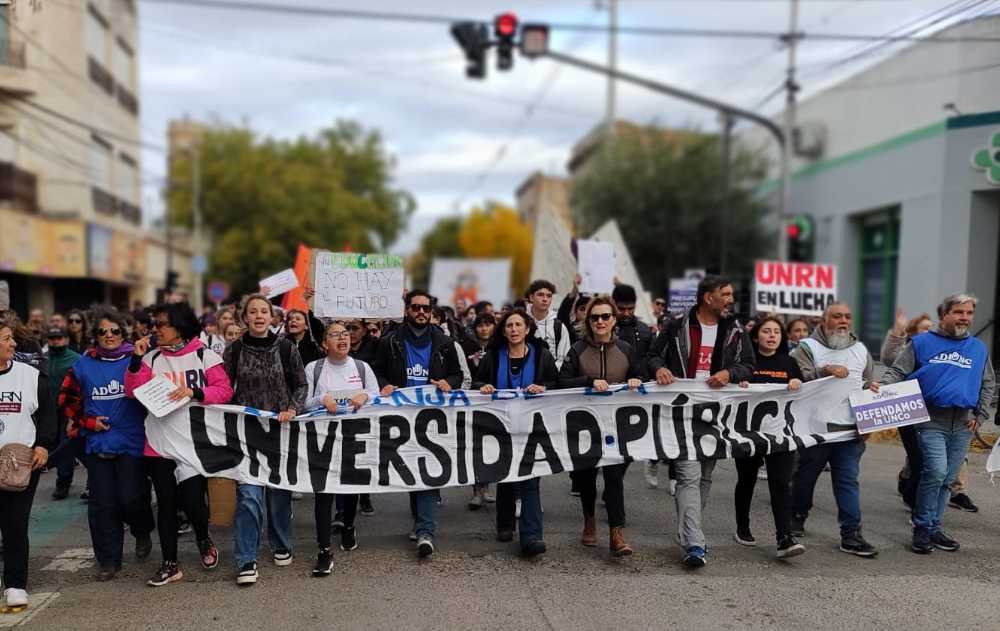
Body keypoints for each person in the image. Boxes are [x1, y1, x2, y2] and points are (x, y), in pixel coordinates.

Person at [873, 294, 995, 554]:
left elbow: (988, 384)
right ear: (945, 315)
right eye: (959, 312)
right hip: (929, 420)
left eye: (969, 313)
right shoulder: (922, 342)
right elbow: (897, 371)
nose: (965, 317)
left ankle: (934, 527)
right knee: (936, 472)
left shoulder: (978, 348)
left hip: (963, 424)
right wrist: (881, 388)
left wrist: (981, 416)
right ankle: (921, 528)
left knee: (948, 479)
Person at [646, 275, 754, 568]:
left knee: (704, 477)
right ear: (709, 298)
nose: (731, 299)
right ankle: (694, 542)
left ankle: (690, 530)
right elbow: (653, 356)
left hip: (716, 414)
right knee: (688, 475)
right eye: (726, 294)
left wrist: (730, 374)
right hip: (681, 412)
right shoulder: (676, 325)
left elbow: (748, 365)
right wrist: (660, 370)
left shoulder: (734, 329)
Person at [125, 302, 233, 586]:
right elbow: (132, 391)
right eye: (154, 325)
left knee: (194, 504)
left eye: (161, 324)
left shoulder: (203, 354)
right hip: (158, 442)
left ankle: (202, 537)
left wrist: (195, 391)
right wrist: (135, 362)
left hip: (191, 442)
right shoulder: (150, 358)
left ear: (180, 327)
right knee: (166, 504)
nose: (155, 330)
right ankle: (170, 564)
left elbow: (224, 391)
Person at [57, 310, 155, 582]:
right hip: (98, 444)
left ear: (123, 333)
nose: (109, 336)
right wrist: (87, 422)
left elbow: (152, 392)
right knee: (103, 505)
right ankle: (108, 560)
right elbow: (66, 400)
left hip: (132, 443)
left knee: (131, 499)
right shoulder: (83, 364)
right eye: (103, 332)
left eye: (114, 331)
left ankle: (142, 529)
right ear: (95, 336)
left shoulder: (136, 360)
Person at [372, 290, 463, 558]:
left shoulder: (445, 342)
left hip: (432, 416)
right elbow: (376, 370)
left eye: (425, 308)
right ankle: (420, 521)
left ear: (431, 312)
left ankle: (426, 530)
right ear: (407, 310)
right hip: (401, 416)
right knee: (411, 468)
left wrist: (450, 383)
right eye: (415, 307)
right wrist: (383, 384)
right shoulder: (390, 342)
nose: (420, 312)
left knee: (428, 468)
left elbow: (457, 374)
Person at [223, 294, 307, 585]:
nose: (259, 316)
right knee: (248, 496)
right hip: (246, 434)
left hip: (280, 432)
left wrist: (293, 408)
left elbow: (301, 383)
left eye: (264, 311)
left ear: (273, 318)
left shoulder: (286, 348)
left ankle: (280, 542)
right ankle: (246, 558)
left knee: (279, 493)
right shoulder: (233, 351)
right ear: (244, 318)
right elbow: (223, 390)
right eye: (253, 312)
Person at [789, 303, 878, 558]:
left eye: (847, 317)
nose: (843, 321)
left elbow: (868, 385)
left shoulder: (861, 350)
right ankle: (797, 514)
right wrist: (823, 370)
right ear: (823, 320)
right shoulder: (807, 347)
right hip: (815, 429)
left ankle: (851, 534)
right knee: (806, 476)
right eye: (837, 316)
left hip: (850, 431)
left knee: (848, 480)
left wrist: (870, 419)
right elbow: (797, 378)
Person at [559, 296, 643, 558]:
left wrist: (635, 380)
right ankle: (589, 519)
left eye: (605, 316)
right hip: (584, 424)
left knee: (614, 477)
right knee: (585, 477)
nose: (600, 322)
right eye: (595, 317)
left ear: (614, 320)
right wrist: (589, 381)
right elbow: (561, 381)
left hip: (616, 426)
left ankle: (616, 533)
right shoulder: (577, 349)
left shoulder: (627, 349)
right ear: (588, 321)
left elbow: (641, 376)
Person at [474, 310, 558, 557]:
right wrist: (484, 386)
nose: (513, 329)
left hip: (533, 428)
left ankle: (532, 536)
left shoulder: (542, 355)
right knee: (506, 473)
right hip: (500, 427)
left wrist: (544, 387)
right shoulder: (492, 357)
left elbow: (558, 384)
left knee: (530, 477)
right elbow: (476, 384)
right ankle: (504, 522)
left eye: (518, 325)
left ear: (527, 329)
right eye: (509, 325)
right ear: (503, 331)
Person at [303, 322, 380, 576]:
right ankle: (324, 550)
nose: (342, 338)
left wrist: (365, 397)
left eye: (345, 334)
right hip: (322, 440)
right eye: (335, 335)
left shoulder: (361, 367)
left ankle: (348, 525)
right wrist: (321, 400)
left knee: (350, 487)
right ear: (325, 343)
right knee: (323, 493)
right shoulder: (313, 369)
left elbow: (376, 394)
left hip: (353, 437)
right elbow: (303, 402)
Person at [732, 316, 806, 558]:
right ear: (756, 336)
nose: (772, 335)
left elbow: (804, 396)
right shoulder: (745, 363)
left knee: (781, 482)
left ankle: (784, 538)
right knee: (747, 479)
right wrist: (738, 384)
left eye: (776, 332)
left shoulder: (789, 363)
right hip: (749, 432)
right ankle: (743, 526)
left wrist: (798, 383)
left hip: (780, 433)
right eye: (766, 331)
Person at [0, 321, 55, 610]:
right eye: (7, 339)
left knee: (15, 525)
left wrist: (44, 444)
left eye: (12, 338)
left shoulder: (31, 376)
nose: (13, 344)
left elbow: (49, 413)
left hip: (20, 465)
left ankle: (15, 584)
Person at [880, 309, 935, 511]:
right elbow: (889, 359)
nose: (930, 332)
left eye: (932, 328)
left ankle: (908, 480)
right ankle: (913, 499)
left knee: (924, 457)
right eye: (925, 329)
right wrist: (897, 331)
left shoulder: (938, 350)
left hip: (933, 412)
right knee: (918, 456)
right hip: (908, 409)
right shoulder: (909, 348)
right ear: (913, 333)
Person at [465, 312, 496, 509]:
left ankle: (487, 486)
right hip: (474, 402)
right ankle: (476, 489)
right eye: (480, 325)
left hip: (494, 403)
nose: (484, 328)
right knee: (474, 447)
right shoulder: (467, 347)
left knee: (491, 446)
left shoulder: (498, 347)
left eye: (488, 324)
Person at [46, 327, 81, 500]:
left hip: (69, 410)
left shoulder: (76, 359)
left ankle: (63, 482)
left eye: (59, 338)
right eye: (52, 338)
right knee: (51, 445)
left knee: (65, 446)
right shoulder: (44, 359)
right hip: (47, 410)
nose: (55, 341)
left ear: (67, 340)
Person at [525, 280, 571, 369]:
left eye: (549, 296)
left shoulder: (559, 326)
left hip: (550, 378)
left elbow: (564, 358)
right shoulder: (521, 322)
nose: (545, 299)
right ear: (531, 297)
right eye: (540, 295)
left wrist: (550, 373)